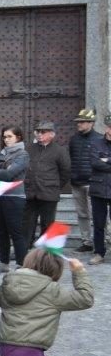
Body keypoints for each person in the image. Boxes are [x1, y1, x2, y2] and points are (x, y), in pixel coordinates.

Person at [23, 122, 71, 243]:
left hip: (49, 193)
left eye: (43, 132)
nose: (39, 134)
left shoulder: (60, 151)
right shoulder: (29, 148)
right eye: (38, 132)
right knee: (27, 223)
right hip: (30, 192)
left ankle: (45, 251)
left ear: (52, 134)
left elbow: (65, 171)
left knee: (48, 223)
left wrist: (55, 185)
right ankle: (25, 248)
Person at [0, 127, 29, 269]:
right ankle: (4, 262)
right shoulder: (1, 153)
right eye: (4, 137)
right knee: (1, 231)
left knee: (15, 231)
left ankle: (21, 263)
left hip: (14, 196)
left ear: (18, 137)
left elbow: (9, 175)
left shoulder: (23, 154)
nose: (6, 139)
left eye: (9, 136)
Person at [69, 108, 102, 252]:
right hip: (77, 183)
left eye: (82, 122)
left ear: (91, 123)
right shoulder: (74, 139)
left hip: (93, 183)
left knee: (97, 215)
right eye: (78, 122)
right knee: (82, 214)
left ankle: (102, 241)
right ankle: (86, 241)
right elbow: (71, 158)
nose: (79, 124)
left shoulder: (99, 139)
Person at [88, 115, 111, 265]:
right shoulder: (96, 143)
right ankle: (99, 252)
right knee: (98, 224)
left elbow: (101, 162)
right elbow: (95, 163)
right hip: (98, 188)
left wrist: (106, 160)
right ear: (107, 128)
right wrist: (103, 161)